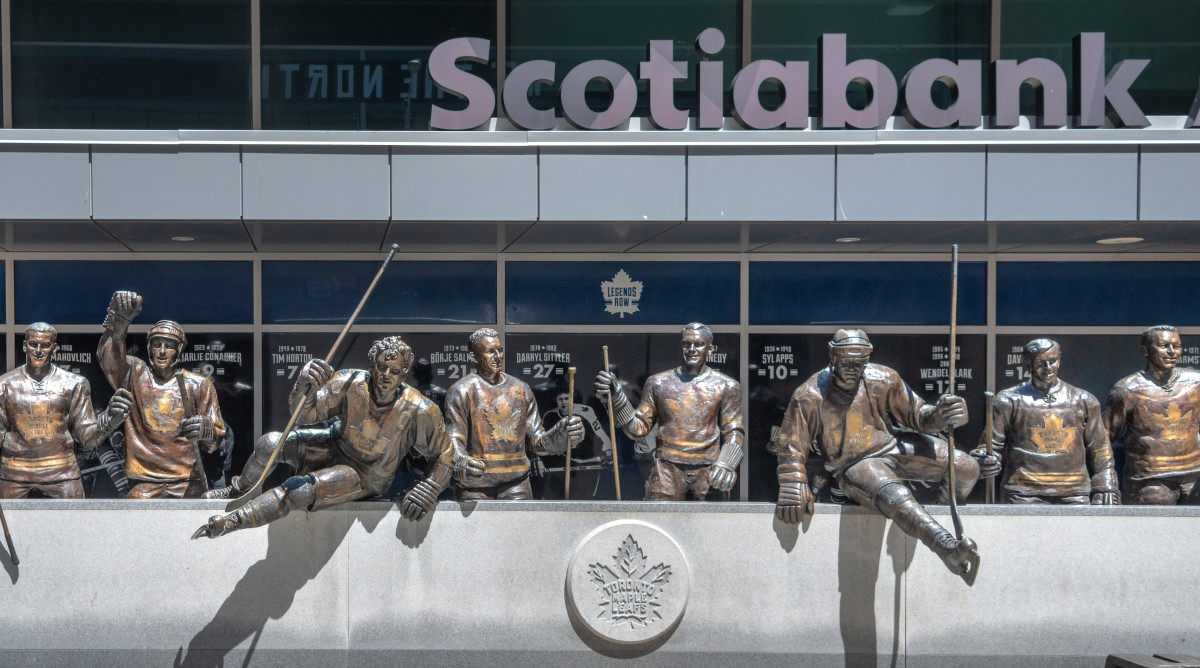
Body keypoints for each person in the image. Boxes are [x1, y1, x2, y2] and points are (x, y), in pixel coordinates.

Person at [193, 336, 454, 538]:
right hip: (335, 443)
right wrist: (304, 385)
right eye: (381, 367)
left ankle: (234, 520)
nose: (386, 376)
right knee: (269, 444)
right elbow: (305, 415)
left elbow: (444, 454)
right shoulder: (350, 382)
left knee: (299, 490)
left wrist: (429, 487)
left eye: (394, 371)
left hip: (367, 473)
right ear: (372, 365)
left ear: (404, 373)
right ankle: (237, 490)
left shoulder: (420, 410)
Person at [774, 329, 980, 582]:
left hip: (894, 446)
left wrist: (942, 414)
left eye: (859, 364)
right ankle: (946, 546)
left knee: (966, 466)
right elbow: (791, 445)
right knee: (896, 496)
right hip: (854, 464)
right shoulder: (809, 395)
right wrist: (793, 482)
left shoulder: (884, 378)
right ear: (832, 357)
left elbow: (919, 416)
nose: (852, 369)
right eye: (846, 363)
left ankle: (940, 512)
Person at [594, 322, 743, 501]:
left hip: (708, 470)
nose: (692, 349)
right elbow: (638, 429)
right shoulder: (658, 383)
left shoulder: (727, 386)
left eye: (699, 344)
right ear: (680, 347)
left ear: (710, 349)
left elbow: (734, 431)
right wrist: (617, 399)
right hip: (666, 470)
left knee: (709, 527)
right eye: (686, 344)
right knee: (657, 524)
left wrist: (726, 463)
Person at [98, 291, 226, 498]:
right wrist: (119, 325)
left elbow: (215, 441)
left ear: (179, 350)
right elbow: (109, 361)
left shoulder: (199, 384)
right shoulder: (135, 374)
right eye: (157, 344)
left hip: (186, 483)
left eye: (169, 346)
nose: (162, 351)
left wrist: (206, 429)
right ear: (149, 348)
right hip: (143, 482)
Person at [445, 328, 583, 500]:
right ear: (474, 357)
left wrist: (560, 435)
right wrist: (462, 462)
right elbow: (454, 440)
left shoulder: (521, 389)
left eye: (500, 350)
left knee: (521, 527)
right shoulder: (461, 391)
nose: (498, 356)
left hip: (516, 484)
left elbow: (537, 441)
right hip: (475, 486)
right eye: (490, 352)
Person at [975, 339, 1118, 504]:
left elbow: (1100, 448)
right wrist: (984, 460)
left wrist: (1106, 485)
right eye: (1041, 363)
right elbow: (989, 447)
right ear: (1028, 364)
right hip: (1023, 492)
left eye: (1053, 361)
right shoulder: (1008, 400)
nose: (1048, 368)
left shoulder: (1084, 400)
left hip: (1074, 492)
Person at [0, 322, 133, 498]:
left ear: (54, 349)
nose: (38, 350)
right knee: (5, 524)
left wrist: (109, 419)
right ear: (25, 346)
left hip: (61, 472)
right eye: (33, 344)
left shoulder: (74, 384)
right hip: (16, 472)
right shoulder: (5, 385)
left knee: (74, 521)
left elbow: (86, 437)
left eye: (45, 345)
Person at [1104, 325, 1200, 505]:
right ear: (1145, 350)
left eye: (1176, 346)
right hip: (1149, 480)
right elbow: (1104, 439)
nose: (1171, 351)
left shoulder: (1196, 383)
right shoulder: (1127, 390)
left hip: (1195, 477)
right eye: (1163, 345)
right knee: (1149, 531)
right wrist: (1106, 482)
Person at [539, 387, 612, 499]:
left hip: (584, 463)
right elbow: (541, 443)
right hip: (560, 464)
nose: (564, 402)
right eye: (560, 399)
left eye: (567, 398)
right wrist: (539, 460)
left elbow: (602, 435)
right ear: (556, 400)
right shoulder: (549, 416)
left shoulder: (586, 412)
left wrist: (608, 452)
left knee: (582, 499)